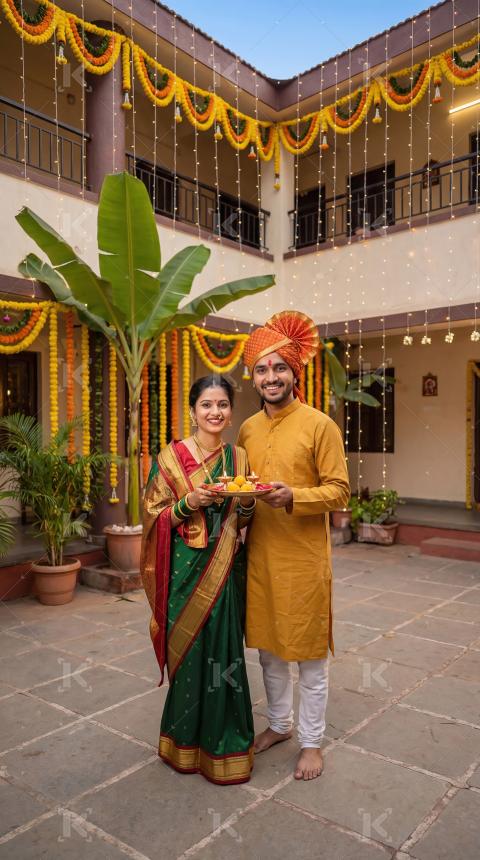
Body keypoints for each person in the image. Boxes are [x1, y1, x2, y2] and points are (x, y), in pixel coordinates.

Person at [238, 311, 350, 781]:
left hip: (304, 562)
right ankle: (280, 725)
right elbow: (242, 487)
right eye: (262, 369)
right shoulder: (245, 428)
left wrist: (295, 497)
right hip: (261, 556)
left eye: (279, 367)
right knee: (268, 651)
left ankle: (311, 742)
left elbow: (340, 491)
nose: (270, 377)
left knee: (308, 657)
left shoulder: (319, 425)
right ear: (254, 376)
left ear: (294, 372)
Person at [140, 374, 255, 785]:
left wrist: (243, 505)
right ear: (192, 410)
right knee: (189, 658)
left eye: (222, 405)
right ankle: (183, 743)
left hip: (224, 566)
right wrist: (189, 502)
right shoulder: (170, 458)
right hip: (183, 571)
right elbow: (154, 518)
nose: (215, 412)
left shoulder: (239, 459)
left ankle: (224, 746)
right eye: (207, 404)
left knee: (223, 654)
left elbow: (244, 518)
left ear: (230, 411)